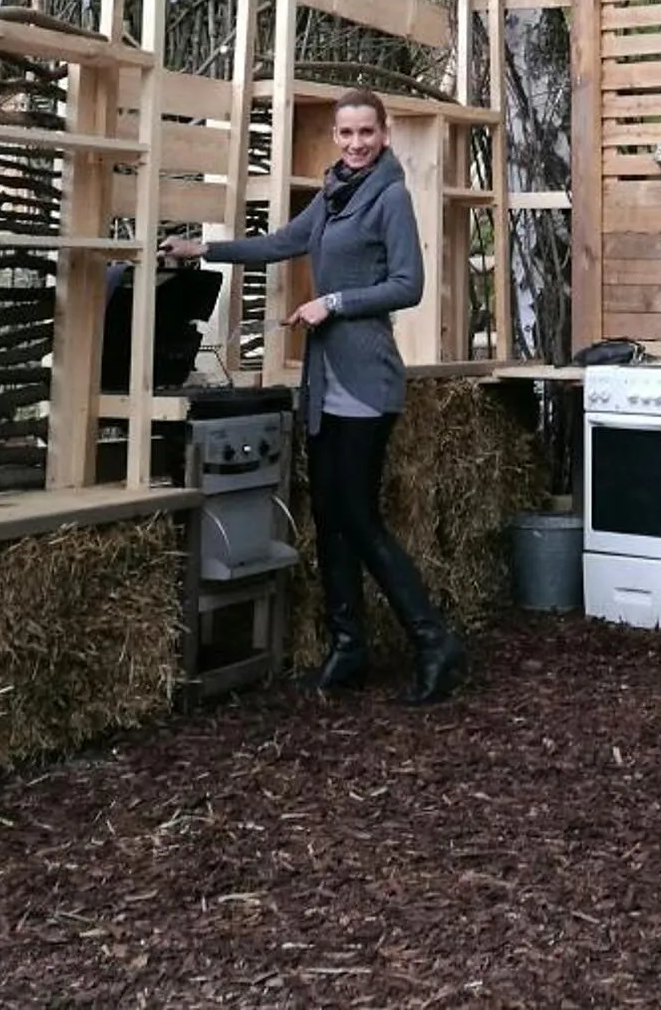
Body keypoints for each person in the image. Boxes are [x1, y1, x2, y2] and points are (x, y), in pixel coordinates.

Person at [164, 86, 466, 704]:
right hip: (326, 382)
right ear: (337, 136)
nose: (357, 144)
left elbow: (408, 286)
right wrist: (205, 249)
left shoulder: (390, 198)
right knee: (328, 517)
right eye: (347, 133)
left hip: (367, 380)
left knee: (358, 516)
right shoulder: (332, 196)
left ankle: (434, 640)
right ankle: (347, 647)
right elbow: (279, 244)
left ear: (384, 135)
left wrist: (334, 302)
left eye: (367, 133)